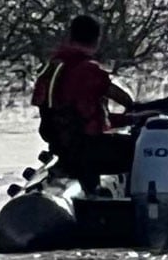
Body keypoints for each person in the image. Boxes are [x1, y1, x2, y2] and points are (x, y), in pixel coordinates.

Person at [31, 14, 154, 189]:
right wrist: (135, 114)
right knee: (147, 151)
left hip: (60, 149)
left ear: (70, 36)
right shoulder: (89, 71)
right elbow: (120, 103)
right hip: (87, 152)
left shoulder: (51, 68)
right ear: (97, 40)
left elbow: (68, 116)